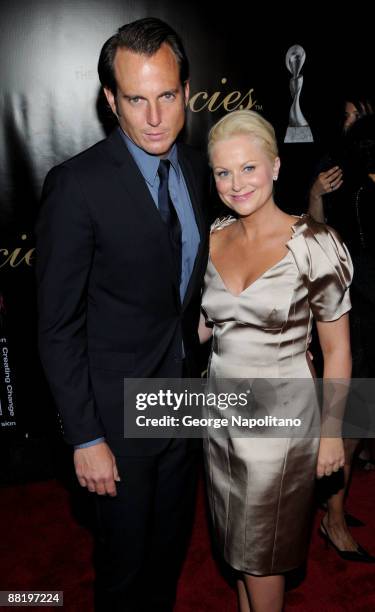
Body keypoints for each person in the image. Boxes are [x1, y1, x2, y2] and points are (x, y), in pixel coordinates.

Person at [36, 17, 208, 612]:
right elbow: (57, 329)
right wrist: (84, 436)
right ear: (111, 100)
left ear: (187, 91)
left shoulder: (193, 171)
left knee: (166, 564)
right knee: (122, 574)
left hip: (182, 408)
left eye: (166, 96)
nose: (154, 116)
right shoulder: (75, 186)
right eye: (136, 99)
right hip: (114, 422)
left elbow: (176, 293)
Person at [199, 109, 352, 612]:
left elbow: (337, 350)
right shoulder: (216, 236)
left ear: (276, 166)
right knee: (237, 556)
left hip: (279, 428)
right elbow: (205, 326)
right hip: (218, 421)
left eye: (248, 167)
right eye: (223, 171)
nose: (236, 183)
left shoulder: (315, 245)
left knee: (261, 556)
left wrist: (331, 434)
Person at [308, 98, 375, 561]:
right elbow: (314, 233)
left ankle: (334, 506)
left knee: (355, 426)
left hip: (364, 312)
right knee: (350, 427)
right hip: (358, 318)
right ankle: (332, 519)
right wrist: (315, 192)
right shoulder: (344, 180)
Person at [308, 93, 374, 223]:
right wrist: (315, 195)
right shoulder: (332, 163)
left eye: (357, 116)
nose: (348, 123)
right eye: (346, 116)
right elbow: (319, 233)